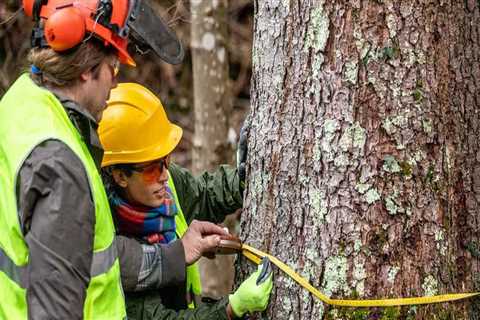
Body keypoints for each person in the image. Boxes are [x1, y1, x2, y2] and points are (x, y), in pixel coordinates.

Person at [0, 1, 226, 319]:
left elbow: (93, 254)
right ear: (86, 71)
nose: (114, 83)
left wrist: (172, 257)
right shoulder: (60, 165)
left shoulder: (21, 103)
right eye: (113, 68)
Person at [98, 82, 274, 319]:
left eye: (166, 159)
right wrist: (232, 308)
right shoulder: (110, 240)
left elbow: (202, 195)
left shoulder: (166, 183)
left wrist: (242, 180)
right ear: (120, 176)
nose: (163, 175)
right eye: (151, 169)